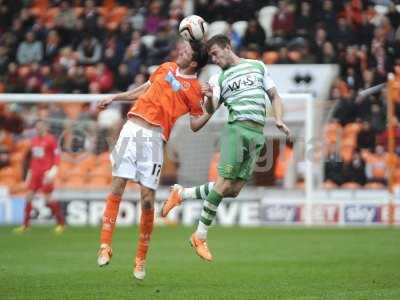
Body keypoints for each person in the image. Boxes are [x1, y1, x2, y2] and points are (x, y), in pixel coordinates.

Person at [161, 34, 290, 261]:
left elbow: (274, 96)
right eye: (211, 56)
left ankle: (181, 194)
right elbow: (208, 112)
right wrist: (208, 99)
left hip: (256, 135)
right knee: (222, 185)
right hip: (236, 131)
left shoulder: (257, 66)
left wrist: (279, 119)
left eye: (215, 54)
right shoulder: (217, 79)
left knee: (233, 189)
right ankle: (199, 236)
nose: (214, 59)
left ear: (228, 47)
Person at [96, 40, 209, 280]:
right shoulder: (165, 67)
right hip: (132, 128)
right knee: (117, 184)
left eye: (187, 51)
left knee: (147, 200)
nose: (181, 51)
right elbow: (144, 89)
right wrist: (116, 97)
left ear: (195, 61)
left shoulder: (196, 89)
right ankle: (105, 245)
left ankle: (140, 260)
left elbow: (196, 123)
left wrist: (212, 107)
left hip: (156, 138)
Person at [13, 120, 65, 234]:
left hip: (45, 174)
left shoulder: (51, 140)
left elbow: (57, 156)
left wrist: (53, 171)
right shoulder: (34, 140)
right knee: (28, 197)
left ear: (46, 127)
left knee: (48, 199)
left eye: (41, 126)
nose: (39, 128)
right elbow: (33, 158)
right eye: (37, 127)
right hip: (35, 174)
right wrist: (29, 173)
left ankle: (61, 223)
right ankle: (25, 225)